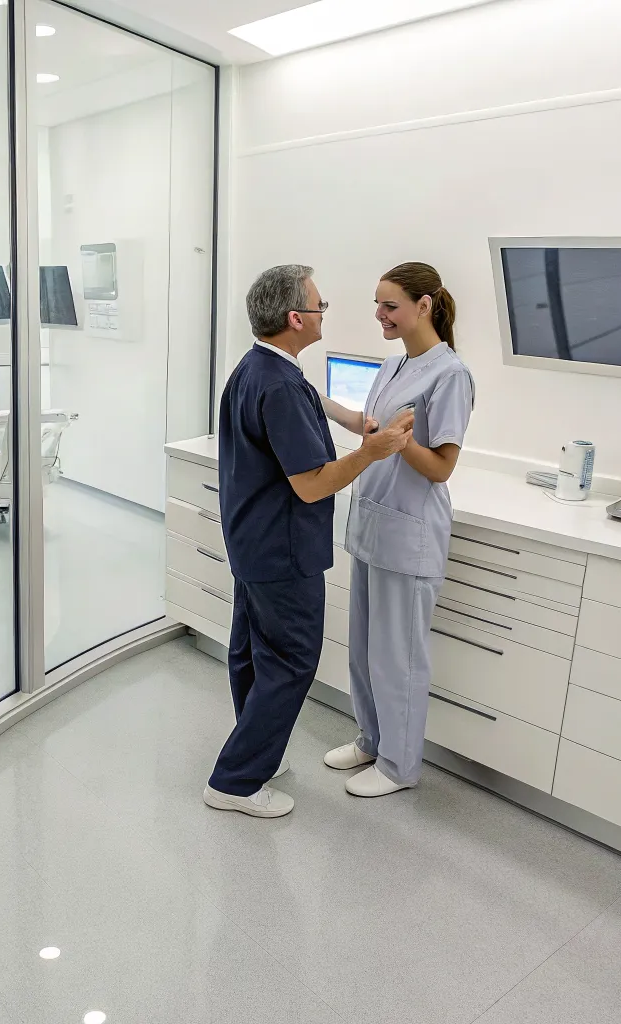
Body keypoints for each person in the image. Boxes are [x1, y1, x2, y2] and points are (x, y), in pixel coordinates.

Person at [203, 264, 413, 819]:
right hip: (283, 548)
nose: (325, 314)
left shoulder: (260, 368)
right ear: (296, 319)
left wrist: (354, 421)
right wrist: (373, 452)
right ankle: (236, 780)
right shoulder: (279, 385)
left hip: (253, 540)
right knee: (292, 660)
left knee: (251, 652)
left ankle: (258, 756)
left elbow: (310, 400)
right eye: (321, 307)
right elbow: (312, 483)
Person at [319, 262, 474, 797]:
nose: (380, 315)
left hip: (409, 533)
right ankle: (371, 740)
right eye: (377, 305)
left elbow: (441, 468)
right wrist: (314, 400)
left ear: (424, 305)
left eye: (390, 306)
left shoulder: (449, 374)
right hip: (373, 525)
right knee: (362, 649)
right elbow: (371, 427)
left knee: (399, 658)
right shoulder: (392, 366)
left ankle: (399, 767)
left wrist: (401, 442)